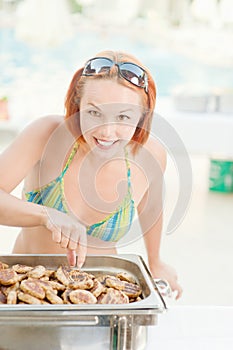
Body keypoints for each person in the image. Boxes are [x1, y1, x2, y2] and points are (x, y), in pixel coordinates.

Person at [0, 51, 182, 298]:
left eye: (123, 117)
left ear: (143, 116)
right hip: (28, 292)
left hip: (102, 296)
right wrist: (47, 215)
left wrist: (155, 259)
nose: (106, 132)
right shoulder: (46, 135)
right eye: (94, 113)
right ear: (78, 105)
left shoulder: (150, 155)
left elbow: (151, 207)